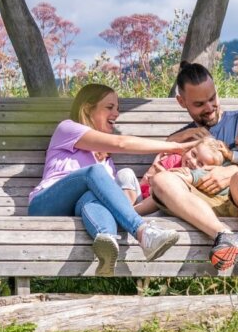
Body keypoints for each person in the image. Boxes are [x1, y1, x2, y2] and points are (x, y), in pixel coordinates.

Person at [28, 84, 198, 276]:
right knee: (94, 172)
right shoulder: (67, 129)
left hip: (78, 209)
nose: (116, 113)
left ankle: (107, 244)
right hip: (45, 204)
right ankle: (143, 232)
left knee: (91, 198)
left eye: (117, 108)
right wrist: (176, 146)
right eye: (109, 107)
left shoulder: (106, 161)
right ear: (87, 109)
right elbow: (121, 143)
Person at [149, 62, 238, 290]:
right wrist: (175, 141)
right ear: (182, 102)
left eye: (213, 98)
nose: (210, 107)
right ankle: (225, 237)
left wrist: (232, 171)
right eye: (199, 104)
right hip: (206, 207)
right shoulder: (184, 138)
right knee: (162, 181)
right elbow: (155, 177)